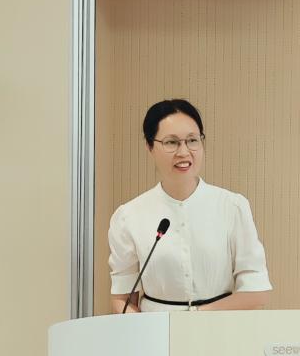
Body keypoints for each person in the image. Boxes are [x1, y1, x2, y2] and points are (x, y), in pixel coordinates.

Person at [108, 99, 272, 313]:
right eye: (171, 142)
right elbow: (122, 298)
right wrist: (148, 329)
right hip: (158, 328)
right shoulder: (128, 216)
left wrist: (196, 318)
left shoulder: (232, 207)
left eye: (192, 140)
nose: (184, 152)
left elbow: (256, 291)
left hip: (219, 324)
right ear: (150, 146)